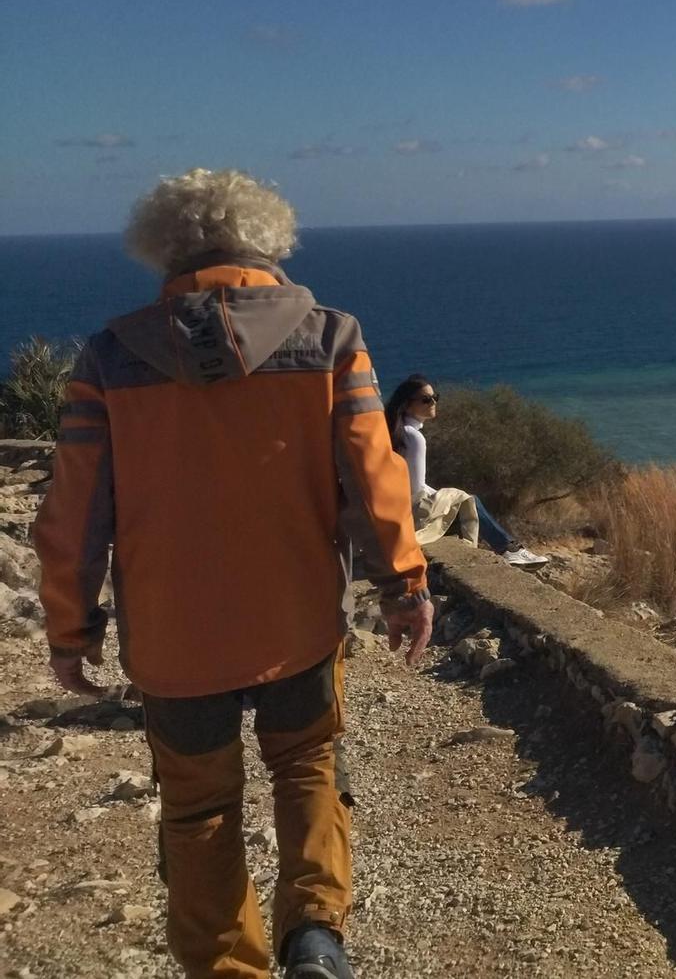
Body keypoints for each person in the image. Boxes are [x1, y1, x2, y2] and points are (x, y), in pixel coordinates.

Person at [34, 169, 433, 979]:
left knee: (198, 808)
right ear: (268, 239)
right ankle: (315, 938)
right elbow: (374, 478)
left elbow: (75, 511)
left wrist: (69, 630)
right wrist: (405, 585)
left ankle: (228, 968)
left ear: (162, 248)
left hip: (174, 641)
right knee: (309, 768)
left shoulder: (110, 356)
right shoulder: (330, 338)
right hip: (298, 623)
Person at [382, 375, 549, 567]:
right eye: (426, 399)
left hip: (393, 510)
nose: (433, 402)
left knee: (462, 501)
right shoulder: (414, 438)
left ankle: (509, 549)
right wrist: (443, 500)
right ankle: (510, 550)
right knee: (467, 500)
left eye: (435, 397)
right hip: (410, 512)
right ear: (407, 405)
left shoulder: (399, 432)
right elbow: (416, 488)